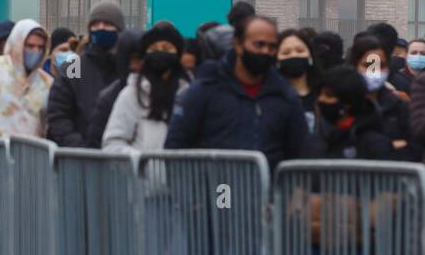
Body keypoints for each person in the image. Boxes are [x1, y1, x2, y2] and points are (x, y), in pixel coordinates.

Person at [165, 14, 310, 171]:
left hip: (267, 192)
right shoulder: (205, 89)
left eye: (271, 47)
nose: (265, 52)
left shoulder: (284, 95)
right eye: (259, 45)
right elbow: (176, 146)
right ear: (238, 45)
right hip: (219, 190)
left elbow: (299, 154)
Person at [47, 0, 125, 148]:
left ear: (119, 30)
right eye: (95, 24)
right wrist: (79, 147)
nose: (100, 28)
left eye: (107, 24)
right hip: (81, 158)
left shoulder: (125, 66)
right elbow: (58, 113)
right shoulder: (74, 66)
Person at [102, 22, 188, 154]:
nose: (160, 52)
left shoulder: (188, 95)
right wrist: (140, 162)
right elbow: (112, 143)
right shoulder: (132, 95)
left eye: (166, 47)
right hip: (143, 174)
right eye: (154, 48)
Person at [347, 34, 414, 159]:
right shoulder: (342, 104)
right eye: (368, 65)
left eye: (380, 66)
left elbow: (414, 149)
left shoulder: (399, 106)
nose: (374, 72)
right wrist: (388, 145)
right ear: (354, 65)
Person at [316, 65, 397, 161]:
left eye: (328, 95)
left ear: (347, 102)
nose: (321, 99)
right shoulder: (317, 138)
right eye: (320, 94)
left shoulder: (373, 143)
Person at [83, 27, 144, 149]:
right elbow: (95, 142)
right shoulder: (108, 98)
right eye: (131, 59)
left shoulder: (155, 94)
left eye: (141, 59)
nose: (136, 66)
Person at [276, 29, 319, 132]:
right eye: (286, 53)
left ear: (310, 56)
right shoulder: (270, 96)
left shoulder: (325, 94)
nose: (294, 55)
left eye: (300, 51)